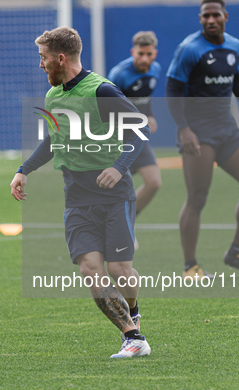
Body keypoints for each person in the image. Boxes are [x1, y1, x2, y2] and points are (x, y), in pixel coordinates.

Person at [10, 27, 151, 358]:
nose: (41, 65)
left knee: (119, 271)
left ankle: (133, 310)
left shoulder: (100, 91)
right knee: (91, 269)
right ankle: (133, 336)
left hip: (116, 196)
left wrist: (118, 167)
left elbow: (140, 128)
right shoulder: (53, 96)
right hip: (77, 199)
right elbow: (52, 141)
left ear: (60, 58)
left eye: (43, 59)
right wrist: (23, 170)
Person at [165, 0, 239, 279]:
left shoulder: (234, 45)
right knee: (197, 198)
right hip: (198, 134)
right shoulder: (190, 49)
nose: (211, 19)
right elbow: (173, 90)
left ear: (226, 16)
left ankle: (236, 252)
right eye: (205, 16)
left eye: (216, 15)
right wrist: (183, 129)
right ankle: (190, 267)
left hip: (227, 129)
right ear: (199, 19)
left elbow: (236, 80)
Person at [108, 31, 162, 249]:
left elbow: (144, 99)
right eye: (140, 54)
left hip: (138, 136)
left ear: (154, 54)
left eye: (149, 54)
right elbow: (106, 110)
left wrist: (149, 116)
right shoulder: (119, 75)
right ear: (133, 52)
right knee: (122, 189)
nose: (144, 59)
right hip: (118, 138)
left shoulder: (155, 70)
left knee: (154, 182)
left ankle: (127, 222)